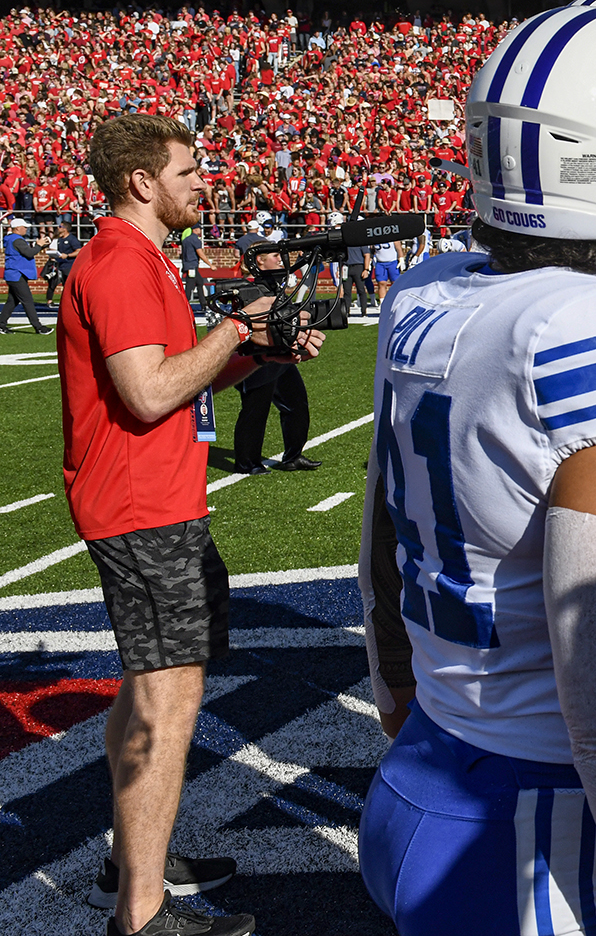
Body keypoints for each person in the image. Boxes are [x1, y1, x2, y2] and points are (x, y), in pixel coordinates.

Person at [356, 1, 596, 936]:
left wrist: (400, 695)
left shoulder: (424, 292)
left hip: (421, 772)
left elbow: (378, 545)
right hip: (533, 832)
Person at [62, 112, 320, 936]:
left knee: (152, 686)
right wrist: (238, 325)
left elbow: (183, 377)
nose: (203, 183)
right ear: (142, 181)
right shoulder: (119, 261)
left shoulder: (142, 255)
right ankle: (140, 912)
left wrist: (261, 351)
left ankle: (129, 862)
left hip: (159, 500)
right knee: (167, 700)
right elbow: (146, 393)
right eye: (188, 171)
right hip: (141, 507)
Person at [227, 241, 321, 476]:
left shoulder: (274, 285)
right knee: (255, 410)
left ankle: (293, 455)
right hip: (256, 359)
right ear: (259, 260)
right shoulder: (249, 289)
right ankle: (247, 462)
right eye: (274, 255)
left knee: (297, 404)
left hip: (280, 356)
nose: (281, 259)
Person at [1, 214, 51, 333]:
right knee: (27, 301)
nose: (26, 229)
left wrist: (40, 246)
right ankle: (38, 327)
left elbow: (27, 252)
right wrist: (39, 245)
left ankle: (1, 324)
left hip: (14, 273)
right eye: (24, 227)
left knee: (12, 301)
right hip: (16, 274)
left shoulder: (11, 239)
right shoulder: (17, 240)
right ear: (17, 228)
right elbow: (29, 253)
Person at [46, 214, 84, 310]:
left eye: (60, 226)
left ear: (65, 229)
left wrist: (67, 255)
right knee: (63, 285)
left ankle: (73, 303)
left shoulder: (72, 239)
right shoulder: (59, 239)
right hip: (61, 265)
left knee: (70, 285)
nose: (58, 228)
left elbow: (79, 251)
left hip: (69, 266)